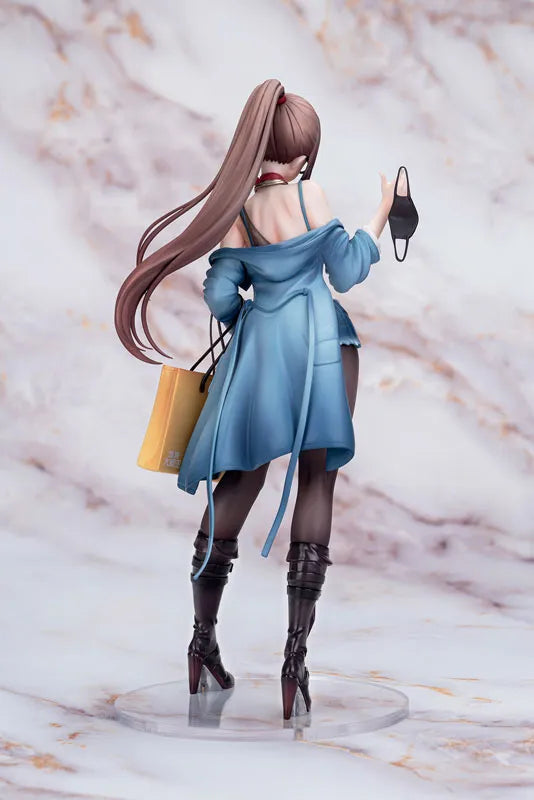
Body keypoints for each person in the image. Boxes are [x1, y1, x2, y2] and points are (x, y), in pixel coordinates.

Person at [114, 78, 401, 720]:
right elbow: (346, 271)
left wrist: (255, 306)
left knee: (240, 480)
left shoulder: (241, 212)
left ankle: (202, 642)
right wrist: (379, 216)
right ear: (302, 155)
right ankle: (295, 661)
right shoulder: (308, 194)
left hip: (261, 353)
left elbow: (220, 295)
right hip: (321, 347)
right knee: (317, 480)